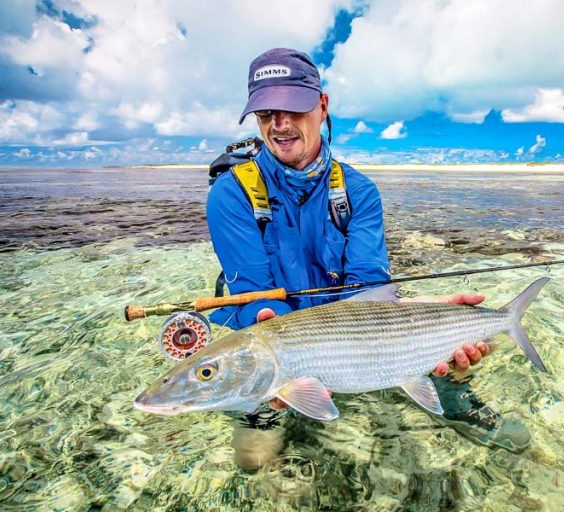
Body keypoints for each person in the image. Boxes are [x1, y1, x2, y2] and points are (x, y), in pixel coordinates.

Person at [206, 48, 529, 470]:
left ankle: (455, 394)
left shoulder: (358, 192)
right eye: (266, 112)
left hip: (349, 328)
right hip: (277, 334)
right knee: (254, 463)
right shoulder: (230, 194)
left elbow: (367, 286)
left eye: (293, 108)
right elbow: (253, 295)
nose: (279, 124)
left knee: (455, 359)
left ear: (322, 106)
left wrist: (413, 315)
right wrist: (284, 365)